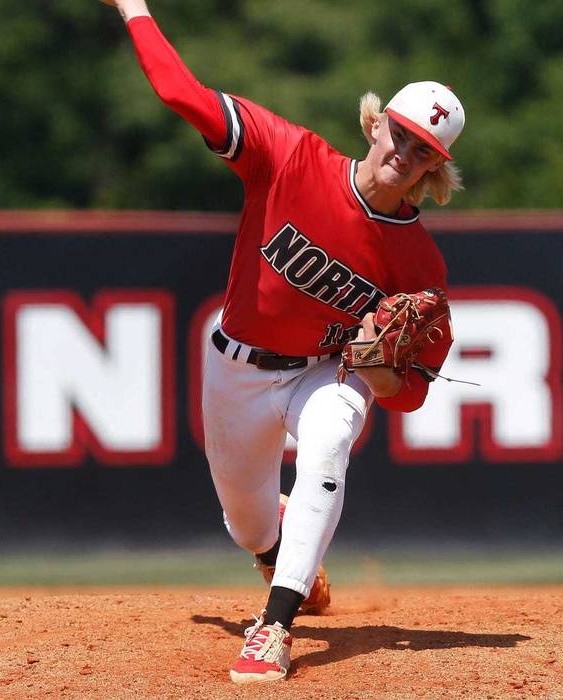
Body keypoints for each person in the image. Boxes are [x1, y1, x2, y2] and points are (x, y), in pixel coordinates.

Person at [109, 0, 464, 684]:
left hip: (321, 375)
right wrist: (133, 8)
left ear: (434, 169)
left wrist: (377, 373)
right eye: (399, 132)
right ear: (373, 123)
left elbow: (413, 392)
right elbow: (180, 93)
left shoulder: (419, 265)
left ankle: (273, 626)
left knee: (332, 430)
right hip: (234, 367)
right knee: (244, 525)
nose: (405, 152)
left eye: (425, 150)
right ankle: (273, 542)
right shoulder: (289, 156)